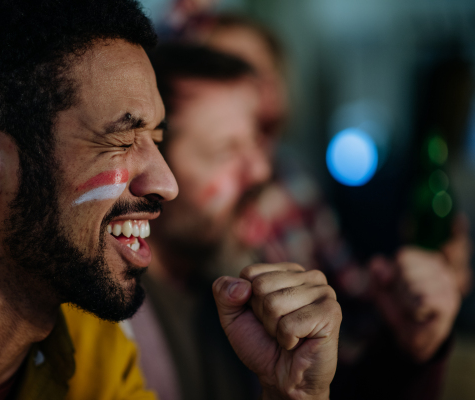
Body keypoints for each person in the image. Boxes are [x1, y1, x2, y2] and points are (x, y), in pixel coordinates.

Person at [0, 1, 343, 399]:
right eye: (122, 139)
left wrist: (293, 393)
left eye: (157, 138)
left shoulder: (99, 351)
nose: (166, 183)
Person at [128, 14, 470, 400]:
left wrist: (408, 348)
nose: (261, 171)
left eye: (255, 142)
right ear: (153, 170)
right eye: (226, 151)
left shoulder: (216, 287)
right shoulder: (120, 327)